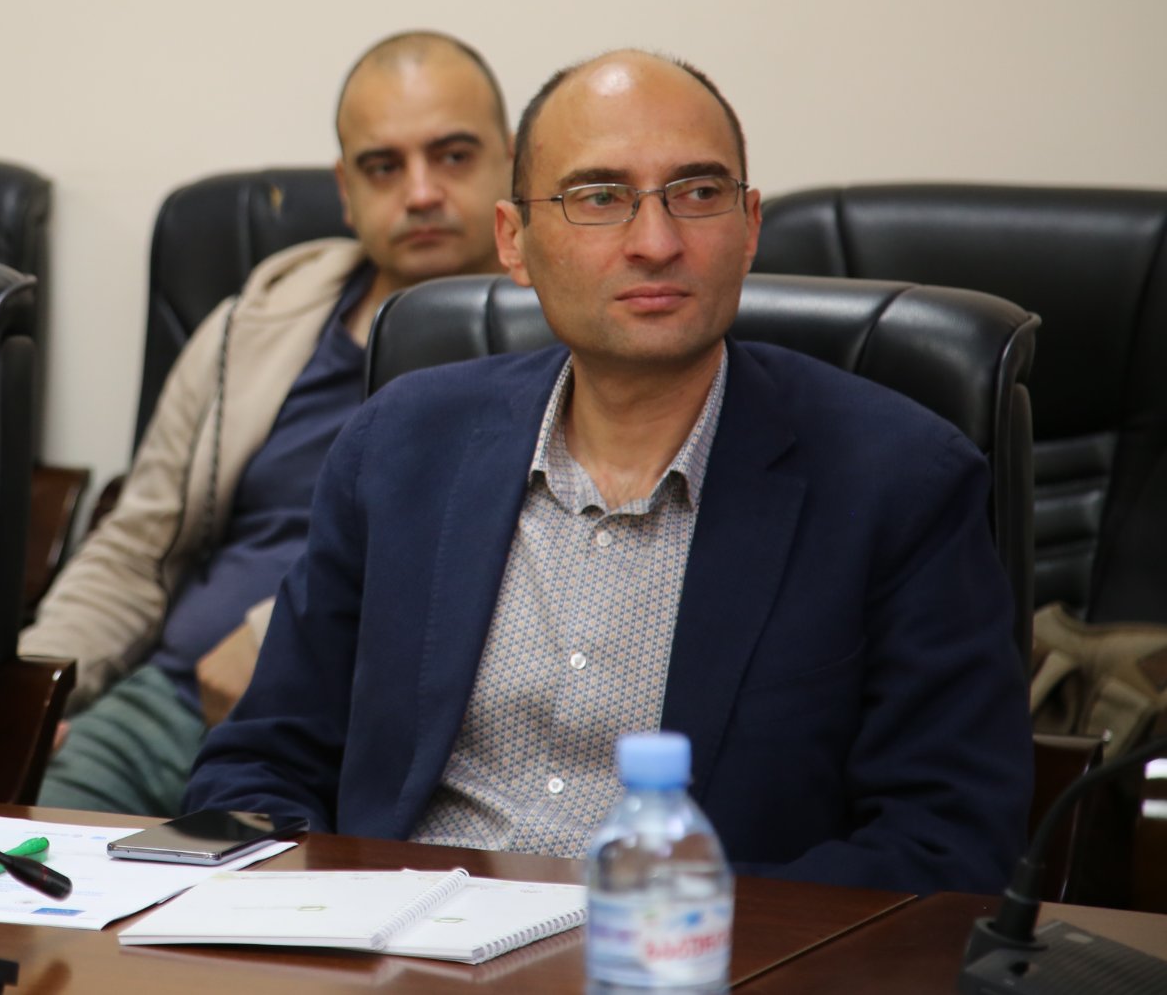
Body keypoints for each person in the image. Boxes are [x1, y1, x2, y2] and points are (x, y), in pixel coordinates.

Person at [185, 49, 1033, 893]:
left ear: (749, 227)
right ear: (514, 241)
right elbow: (258, 763)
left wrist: (658, 929)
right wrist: (311, 919)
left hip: (694, 951)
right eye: (599, 198)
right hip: (393, 943)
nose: (656, 243)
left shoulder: (900, 483)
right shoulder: (400, 446)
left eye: (697, 193)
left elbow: (945, 846)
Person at [20, 30, 513, 815]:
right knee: (15, 854)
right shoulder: (250, 325)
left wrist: (275, 637)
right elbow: (136, 548)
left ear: (509, 164)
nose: (420, 192)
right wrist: (33, 688)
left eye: (452, 155)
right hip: (170, 706)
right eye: (383, 166)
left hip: (384, 730)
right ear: (345, 188)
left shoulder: (561, 346)